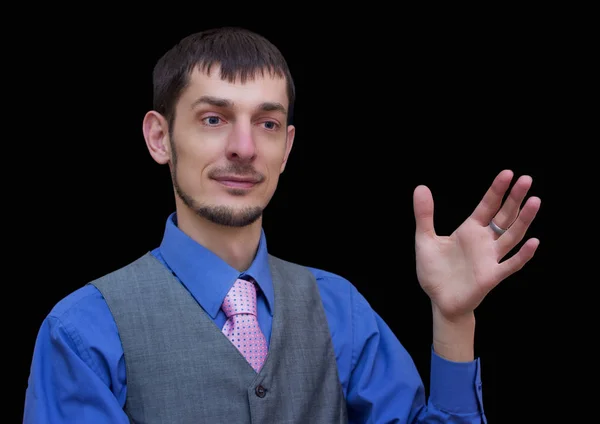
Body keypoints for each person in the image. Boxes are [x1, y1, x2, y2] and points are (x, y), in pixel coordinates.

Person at [23, 27, 541, 424]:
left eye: (266, 124)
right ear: (160, 138)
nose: (244, 148)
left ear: (287, 147)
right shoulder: (82, 333)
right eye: (213, 118)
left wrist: (453, 321)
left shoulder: (342, 312)